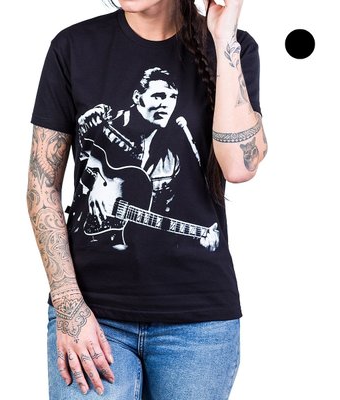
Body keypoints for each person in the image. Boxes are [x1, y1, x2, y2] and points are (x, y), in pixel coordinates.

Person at [27, 0, 268, 399]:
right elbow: (42, 186)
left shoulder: (232, 47)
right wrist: (69, 305)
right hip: (92, 311)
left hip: (198, 321)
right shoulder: (74, 47)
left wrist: (224, 37)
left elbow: (240, 167)